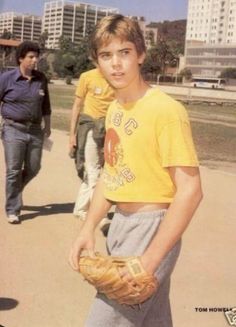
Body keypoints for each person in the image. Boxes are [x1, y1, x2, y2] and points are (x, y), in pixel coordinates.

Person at [69, 14, 203, 327]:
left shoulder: (166, 111)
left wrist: (151, 260)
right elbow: (109, 175)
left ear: (141, 54)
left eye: (124, 52)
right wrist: (87, 228)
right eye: (106, 55)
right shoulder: (115, 109)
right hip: (121, 227)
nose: (116, 64)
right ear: (96, 62)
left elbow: (190, 190)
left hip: (150, 229)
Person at [0, 41, 51, 224]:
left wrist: (49, 125)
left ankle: (13, 191)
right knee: (13, 170)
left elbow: (46, 104)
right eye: (30, 57)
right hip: (13, 129)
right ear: (21, 58)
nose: (35, 60)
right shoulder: (7, 78)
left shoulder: (41, 78)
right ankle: (13, 209)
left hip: (35, 130)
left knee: (34, 168)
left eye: (36, 56)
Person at [69, 67, 114, 220]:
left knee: (99, 172)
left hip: (109, 131)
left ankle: (80, 209)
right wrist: (72, 135)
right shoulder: (87, 76)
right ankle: (99, 214)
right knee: (94, 172)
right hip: (89, 129)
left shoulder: (117, 78)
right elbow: (77, 106)